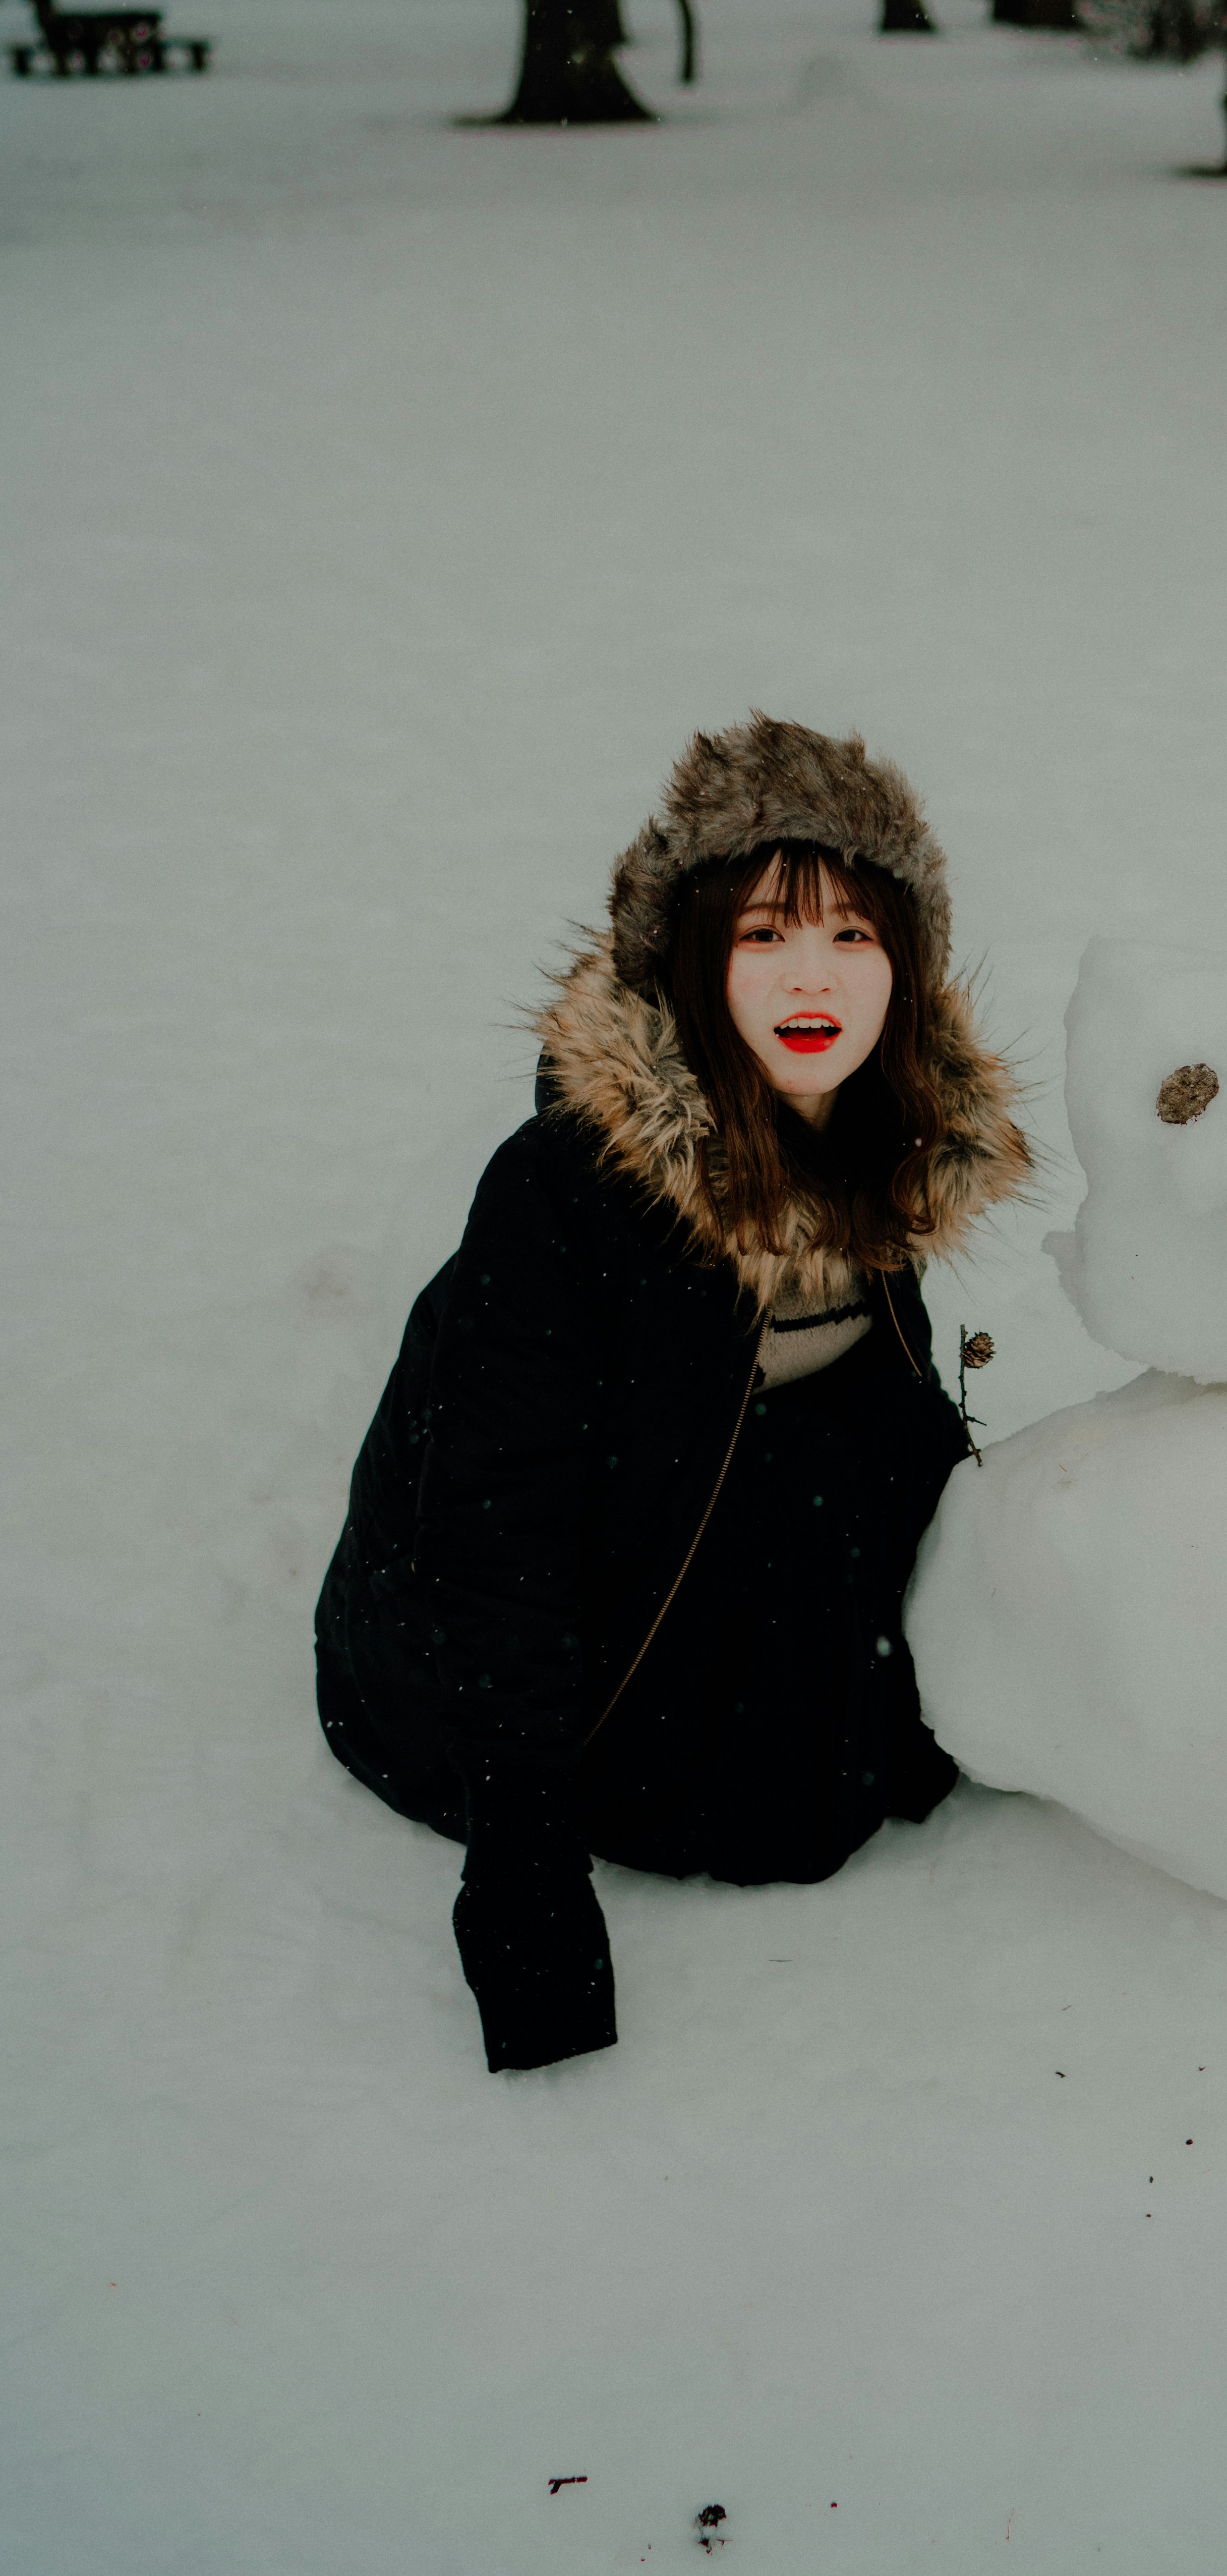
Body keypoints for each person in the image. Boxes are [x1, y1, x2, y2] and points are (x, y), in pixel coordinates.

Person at [315, 716, 1031, 2072]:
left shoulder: (889, 1141)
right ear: (694, 961)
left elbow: (898, 1424)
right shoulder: (567, 1195)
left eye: (852, 937)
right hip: (530, 1670)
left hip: (712, 1565)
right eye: (763, 936)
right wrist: (524, 1864)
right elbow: (489, 1528)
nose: (809, 977)